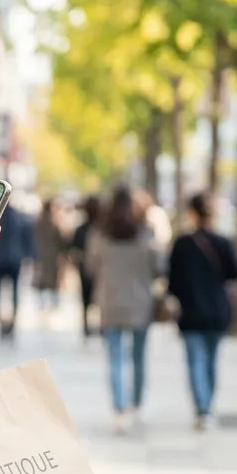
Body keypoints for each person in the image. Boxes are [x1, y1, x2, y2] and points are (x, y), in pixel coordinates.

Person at [86, 186, 160, 435]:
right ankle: (136, 405)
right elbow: (158, 266)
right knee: (138, 356)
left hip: (110, 301)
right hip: (140, 302)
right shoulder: (145, 234)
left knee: (115, 357)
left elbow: (91, 266)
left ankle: (119, 409)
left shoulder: (100, 236)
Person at [168, 192, 237, 430]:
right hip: (217, 311)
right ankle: (207, 406)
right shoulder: (222, 243)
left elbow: (173, 282)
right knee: (210, 361)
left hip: (190, 312)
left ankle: (202, 407)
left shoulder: (182, 244)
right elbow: (235, 273)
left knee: (195, 362)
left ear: (191, 213)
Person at [0, 200, 36, 338]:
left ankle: (2, 322)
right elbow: (28, 239)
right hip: (14, 259)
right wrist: (28, 256)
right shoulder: (19, 217)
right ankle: (10, 322)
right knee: (13, 293)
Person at [69, 195, 103, 339]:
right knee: (97, 298)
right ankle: (97, 326)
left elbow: (74, 249)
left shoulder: (83, 229)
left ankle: (88, 327)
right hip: (96, 269)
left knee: (87, 298)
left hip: (87, 269)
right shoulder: (101, 229)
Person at [34, 199, 66, 309]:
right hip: (52, 256)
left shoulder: (38, 223)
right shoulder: (53, 224)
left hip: (41, 255)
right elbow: (60, 241)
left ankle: (42, 304)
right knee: (52, 280)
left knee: (42, 279)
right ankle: (53, 303)